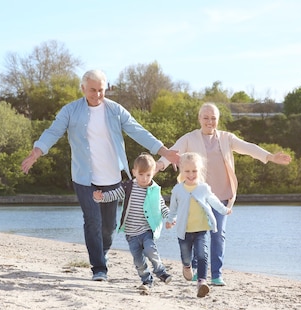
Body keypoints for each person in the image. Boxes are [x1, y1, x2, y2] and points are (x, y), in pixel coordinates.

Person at [21, 69, 180, 282]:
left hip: (112, 178)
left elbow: (138, 130)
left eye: (101, 90)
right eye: (92, 90)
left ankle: (102, 252)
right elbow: (53, 131)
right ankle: (99, 268)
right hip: (84, 178)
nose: (97, 94)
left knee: (108, 226)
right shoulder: (70, 111)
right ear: (83, 89)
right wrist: (37, 151)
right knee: (92, 221)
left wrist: (164, 151)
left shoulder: (115, 110)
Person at [157, 102, 291, 286]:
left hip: (222, 194)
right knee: (197, 232)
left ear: (218, 120)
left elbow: (248, 147)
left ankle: (217, 273)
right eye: (206, 118)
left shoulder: (227, 138)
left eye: (213, 118)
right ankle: (195, 269)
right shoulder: (190, 138)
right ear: (199, 119)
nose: (209, 122)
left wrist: (270, 156)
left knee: (218, 234)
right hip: (197, 195)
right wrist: (157, 166)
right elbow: (172, 153)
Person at [93, 153, 171, 293]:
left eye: (148, 175)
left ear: (153, 173)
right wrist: (101, 197)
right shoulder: (128, 187)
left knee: (150, 250)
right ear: (134, 172)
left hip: (147, 230)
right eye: (141, 174)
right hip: (131, 234)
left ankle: (161, 272)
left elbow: (162, 206)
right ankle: (146, 280)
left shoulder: (154, 190)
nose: (144, 178)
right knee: (138, 261)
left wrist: (170, 218)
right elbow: (114, 194)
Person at [165, 152, 231, 298]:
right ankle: (187, 266)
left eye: (194, 171)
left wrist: (224, 210)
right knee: (186, 256)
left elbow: (214, 201)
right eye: (187, 171)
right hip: (184, 231)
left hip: (201, 229)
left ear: (199, 171)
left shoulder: (204, 188)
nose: (191, 174)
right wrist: (170, 220)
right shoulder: (178, 190)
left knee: (202, 254)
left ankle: (202, 282)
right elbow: (173, 208)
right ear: (182, 171)